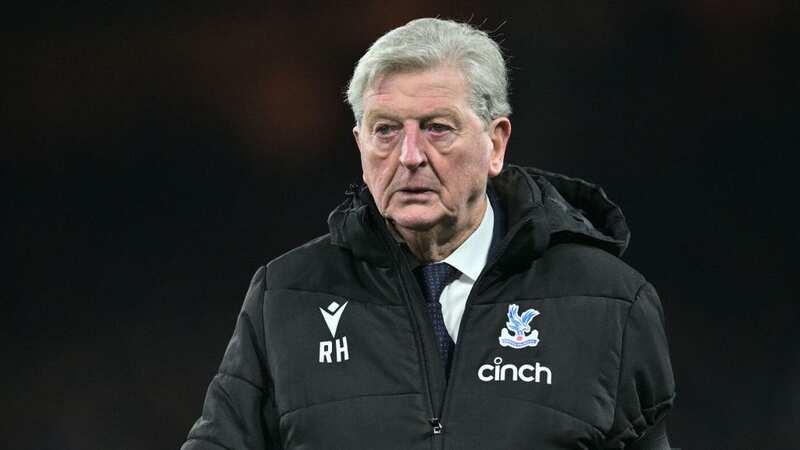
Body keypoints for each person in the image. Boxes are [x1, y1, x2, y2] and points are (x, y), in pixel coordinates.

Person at [181, 18, 675, 450]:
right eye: (386, 130)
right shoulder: (285, 298)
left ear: (495, 143)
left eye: (437, 128)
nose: (410, 155)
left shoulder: (611, 303)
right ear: (359, 143)